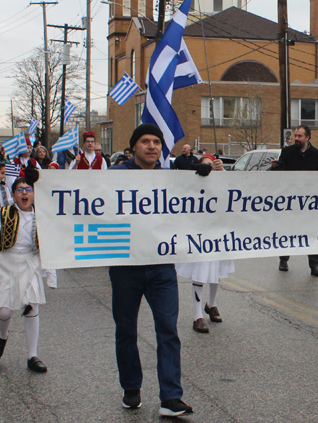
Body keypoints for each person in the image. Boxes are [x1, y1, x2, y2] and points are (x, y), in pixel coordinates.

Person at [108, 124, 193, 417]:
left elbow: (203, 193)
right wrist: (38, 181)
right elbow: (71, 192)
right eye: (145, 141)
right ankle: (131, 387)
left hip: (161, 268)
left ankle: (171, 397)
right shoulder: (114, 175)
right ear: (134, 148)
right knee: (125, 329)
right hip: (126, 267)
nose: (152, 146)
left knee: (168, 330)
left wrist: (209, 171)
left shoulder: (171, 177)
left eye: (156, 142)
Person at [0, 168, 48, 373]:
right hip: (5, 261)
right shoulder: (4, 213)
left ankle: (33, 355)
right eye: (20, 190)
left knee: (32, 306)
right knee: (5, 311)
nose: (25, 193)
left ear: (34, 193)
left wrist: (50, 270)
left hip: (30, 261)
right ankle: (2, 335)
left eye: (28, 189)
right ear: (14, 194)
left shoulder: (42, 215)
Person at [176, 154, 234, 334]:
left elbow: (233, 192)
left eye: (212, 165)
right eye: (206, 165)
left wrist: (222, 171)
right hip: (199, 233)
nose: (209, 168)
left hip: (218, 232)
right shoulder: (193, 182)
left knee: (216, 270)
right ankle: (197, 315)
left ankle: (212, 304)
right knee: (200, 272)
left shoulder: (220, 181)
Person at [271, 125, 318, 277]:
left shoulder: (316, 154)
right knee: (287, 230)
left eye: (300, 136)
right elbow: (280, 174)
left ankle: (315, 265)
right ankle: (283, 259)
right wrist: (276, 167)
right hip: (290, 199)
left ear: (308, 137)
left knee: (311, 232)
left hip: (309, 200)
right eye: (295, 135)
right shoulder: (287, 152)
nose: (296, 139)